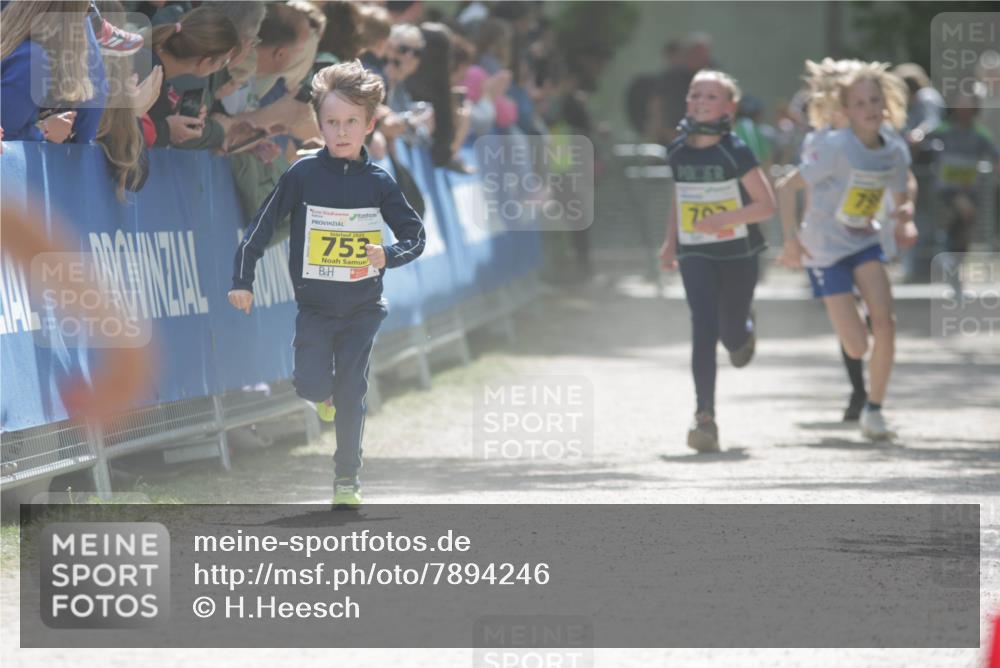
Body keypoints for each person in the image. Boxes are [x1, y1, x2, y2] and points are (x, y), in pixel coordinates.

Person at [228, 60, 425, 508]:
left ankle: (347, 479)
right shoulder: (302, 176)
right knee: (311, 385)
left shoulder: (379, 183)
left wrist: (388, 255)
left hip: (363, 308)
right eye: (332, 122)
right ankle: (324, 395)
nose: (341, 131)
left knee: (353, 389)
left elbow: (416, 236)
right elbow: (261, 226)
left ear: (369, 125)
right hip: (314, 308)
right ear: (318, 124)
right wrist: (242, 279)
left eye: (351, 122)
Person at [775, 61, 917, 441]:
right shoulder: (833, 147)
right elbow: (787, 187)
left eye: (875, 100)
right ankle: (858, 360)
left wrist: (906, 215)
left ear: (886, 103)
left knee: (886, 323)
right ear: (846, 110)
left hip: (865, 242)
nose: (870, 108)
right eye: (860, 103)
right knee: (856, 346)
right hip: (824, 250)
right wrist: (791, 240)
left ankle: (874, 410)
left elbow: (904, 187)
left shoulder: (893, 148)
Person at [658, 70, 776, 453]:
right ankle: (704, 418)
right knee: (703, 326)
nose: (700, 102)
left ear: (729, 107)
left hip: (738, 254)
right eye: (695, 95)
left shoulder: (735, 151)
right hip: (695, 251)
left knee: (730, 336)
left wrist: (725, 219)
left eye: (711, 97)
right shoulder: (677, 151)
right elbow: (680, 197)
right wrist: (670, 242)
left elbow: (766, 205)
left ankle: (743, 331)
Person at [1, 0, 108, 143]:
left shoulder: (21, 48)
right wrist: (44, 130)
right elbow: (5, 138)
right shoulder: (33, 59)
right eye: (88, 10)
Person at [925, 92, 1000, 294]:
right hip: (946, 190)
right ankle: (943, 254)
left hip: (969, 190)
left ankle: (954, 275)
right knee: (959, 216)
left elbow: (995, 155)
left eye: (968, 105)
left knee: (962, 235)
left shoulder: (980, 134)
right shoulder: (942, 130)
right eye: (960, 104)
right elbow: (924, 146)